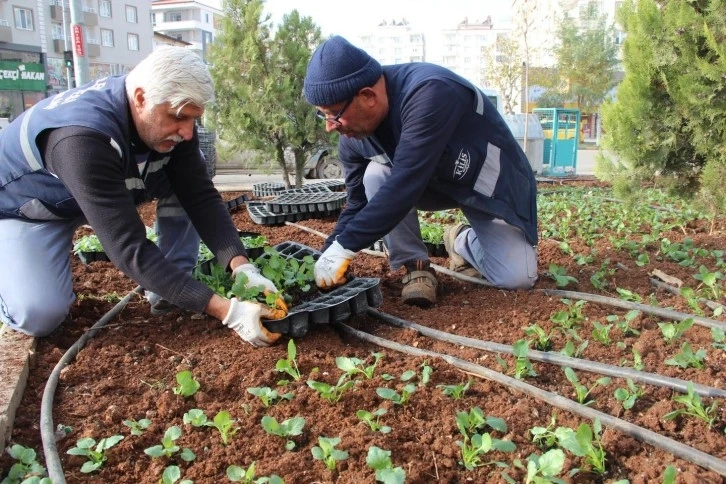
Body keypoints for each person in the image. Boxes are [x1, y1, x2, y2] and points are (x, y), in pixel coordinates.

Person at [0, 47, 285, 347]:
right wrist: (227, 311)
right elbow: (129, 248)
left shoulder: (171, 123)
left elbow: (200, 196)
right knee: (39, 314)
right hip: (30, 210)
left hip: (96, 191)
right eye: (178, 117)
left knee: (186, 179)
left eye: (194, 119)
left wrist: (242, 267)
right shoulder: (81, 139)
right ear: (140, 98)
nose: (187, 132)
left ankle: (168, 294)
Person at [303, 36, 538, 305]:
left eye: (333, 114)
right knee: (376, 175)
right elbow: (358, 204)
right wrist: (329, 251)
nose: (330, 126)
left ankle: (461, 240)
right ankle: (416, 268)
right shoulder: (353, 140)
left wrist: (346, 247)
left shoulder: (429, 91)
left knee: (518, 277)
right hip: (430, 184)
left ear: (367, 96)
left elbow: (405, 182)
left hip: (488, 185)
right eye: (323, 115)